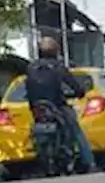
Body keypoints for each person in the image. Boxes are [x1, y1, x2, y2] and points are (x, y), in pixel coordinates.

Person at [25, 36, 96, 173]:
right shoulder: (58, 67)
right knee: (77, 131)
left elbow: (28, 88)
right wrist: (80, 92)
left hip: (37, 107)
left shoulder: (31, 68)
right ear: (55, 52)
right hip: (57, 106)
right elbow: (75, 86)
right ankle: (89, 162)